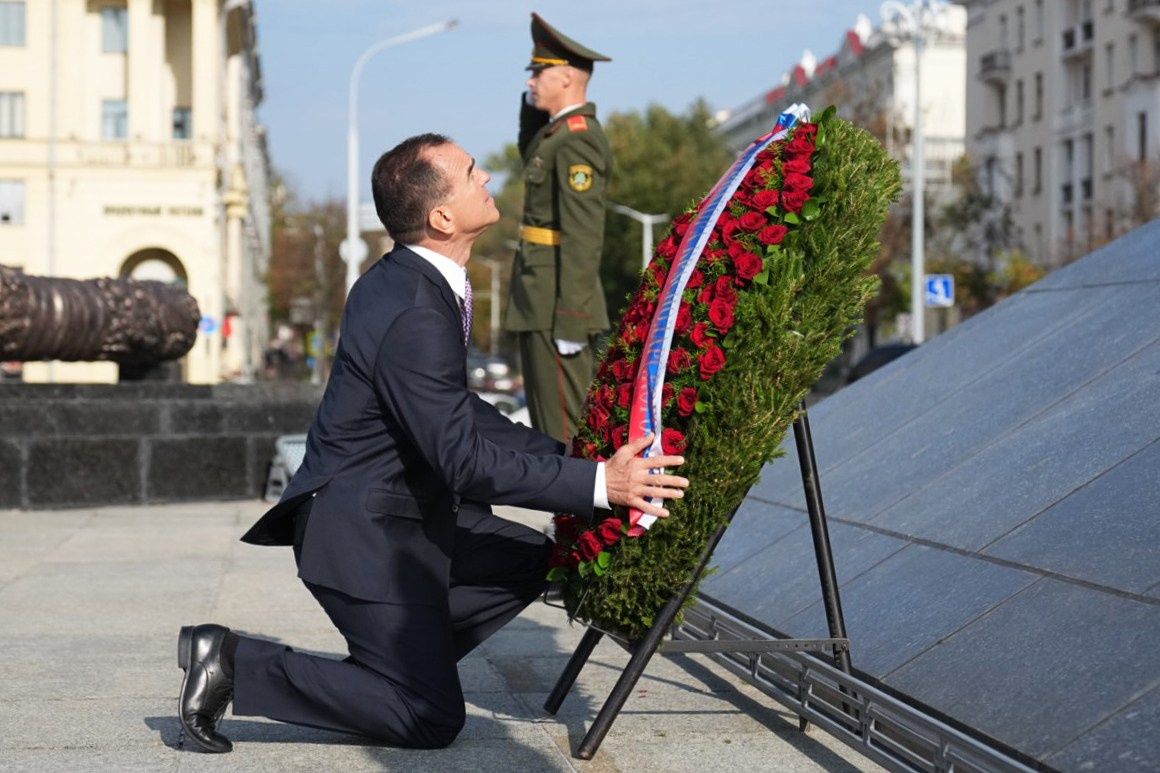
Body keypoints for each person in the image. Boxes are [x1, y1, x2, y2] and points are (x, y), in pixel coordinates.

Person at [176, 134, 688, 754]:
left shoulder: (409, 280)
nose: (487, 177)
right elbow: (462, 460)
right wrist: (602, 485)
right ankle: (232, 661)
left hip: (400, 514)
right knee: (428, 718)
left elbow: (459, 412)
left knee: (528, 558)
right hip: (364, 535)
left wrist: (576, 462)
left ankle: (403, 666)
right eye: (472, 173)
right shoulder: (416, 306)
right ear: (442, 217)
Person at [504, 13, 613, 444]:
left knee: (565, 433)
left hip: (557, 305)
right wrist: (531, 106)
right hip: (540, 298)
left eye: (538, 72)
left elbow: (583, 235)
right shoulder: (557, 135)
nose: (530, 80)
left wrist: (571, 318)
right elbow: (529, 150)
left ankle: (584, 495)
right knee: (549, 428)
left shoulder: (578, 139)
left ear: (566, 77)